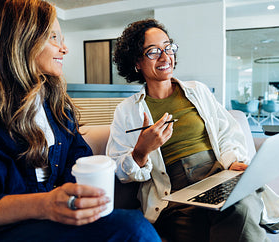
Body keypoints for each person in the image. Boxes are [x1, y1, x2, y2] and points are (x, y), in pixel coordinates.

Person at [0, 1, 160, 241]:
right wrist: (46, 203)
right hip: (7, 228)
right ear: (20, 40)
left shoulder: (57, 107)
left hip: (53, 220)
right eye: (54, 37)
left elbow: (80, 158)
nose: (65, 48)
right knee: (132, 227)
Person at [107, 19, 269, 241]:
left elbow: (226, 133)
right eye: (153, 52)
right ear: (137, 62)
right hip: (175, 195)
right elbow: (117, 169)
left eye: (168, 47)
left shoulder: (197, 91)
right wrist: (141, 152)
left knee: (240, 205)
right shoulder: (127, 110)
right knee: (217, 223)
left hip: (217, 175)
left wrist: (232, 161)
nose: (165, 57)